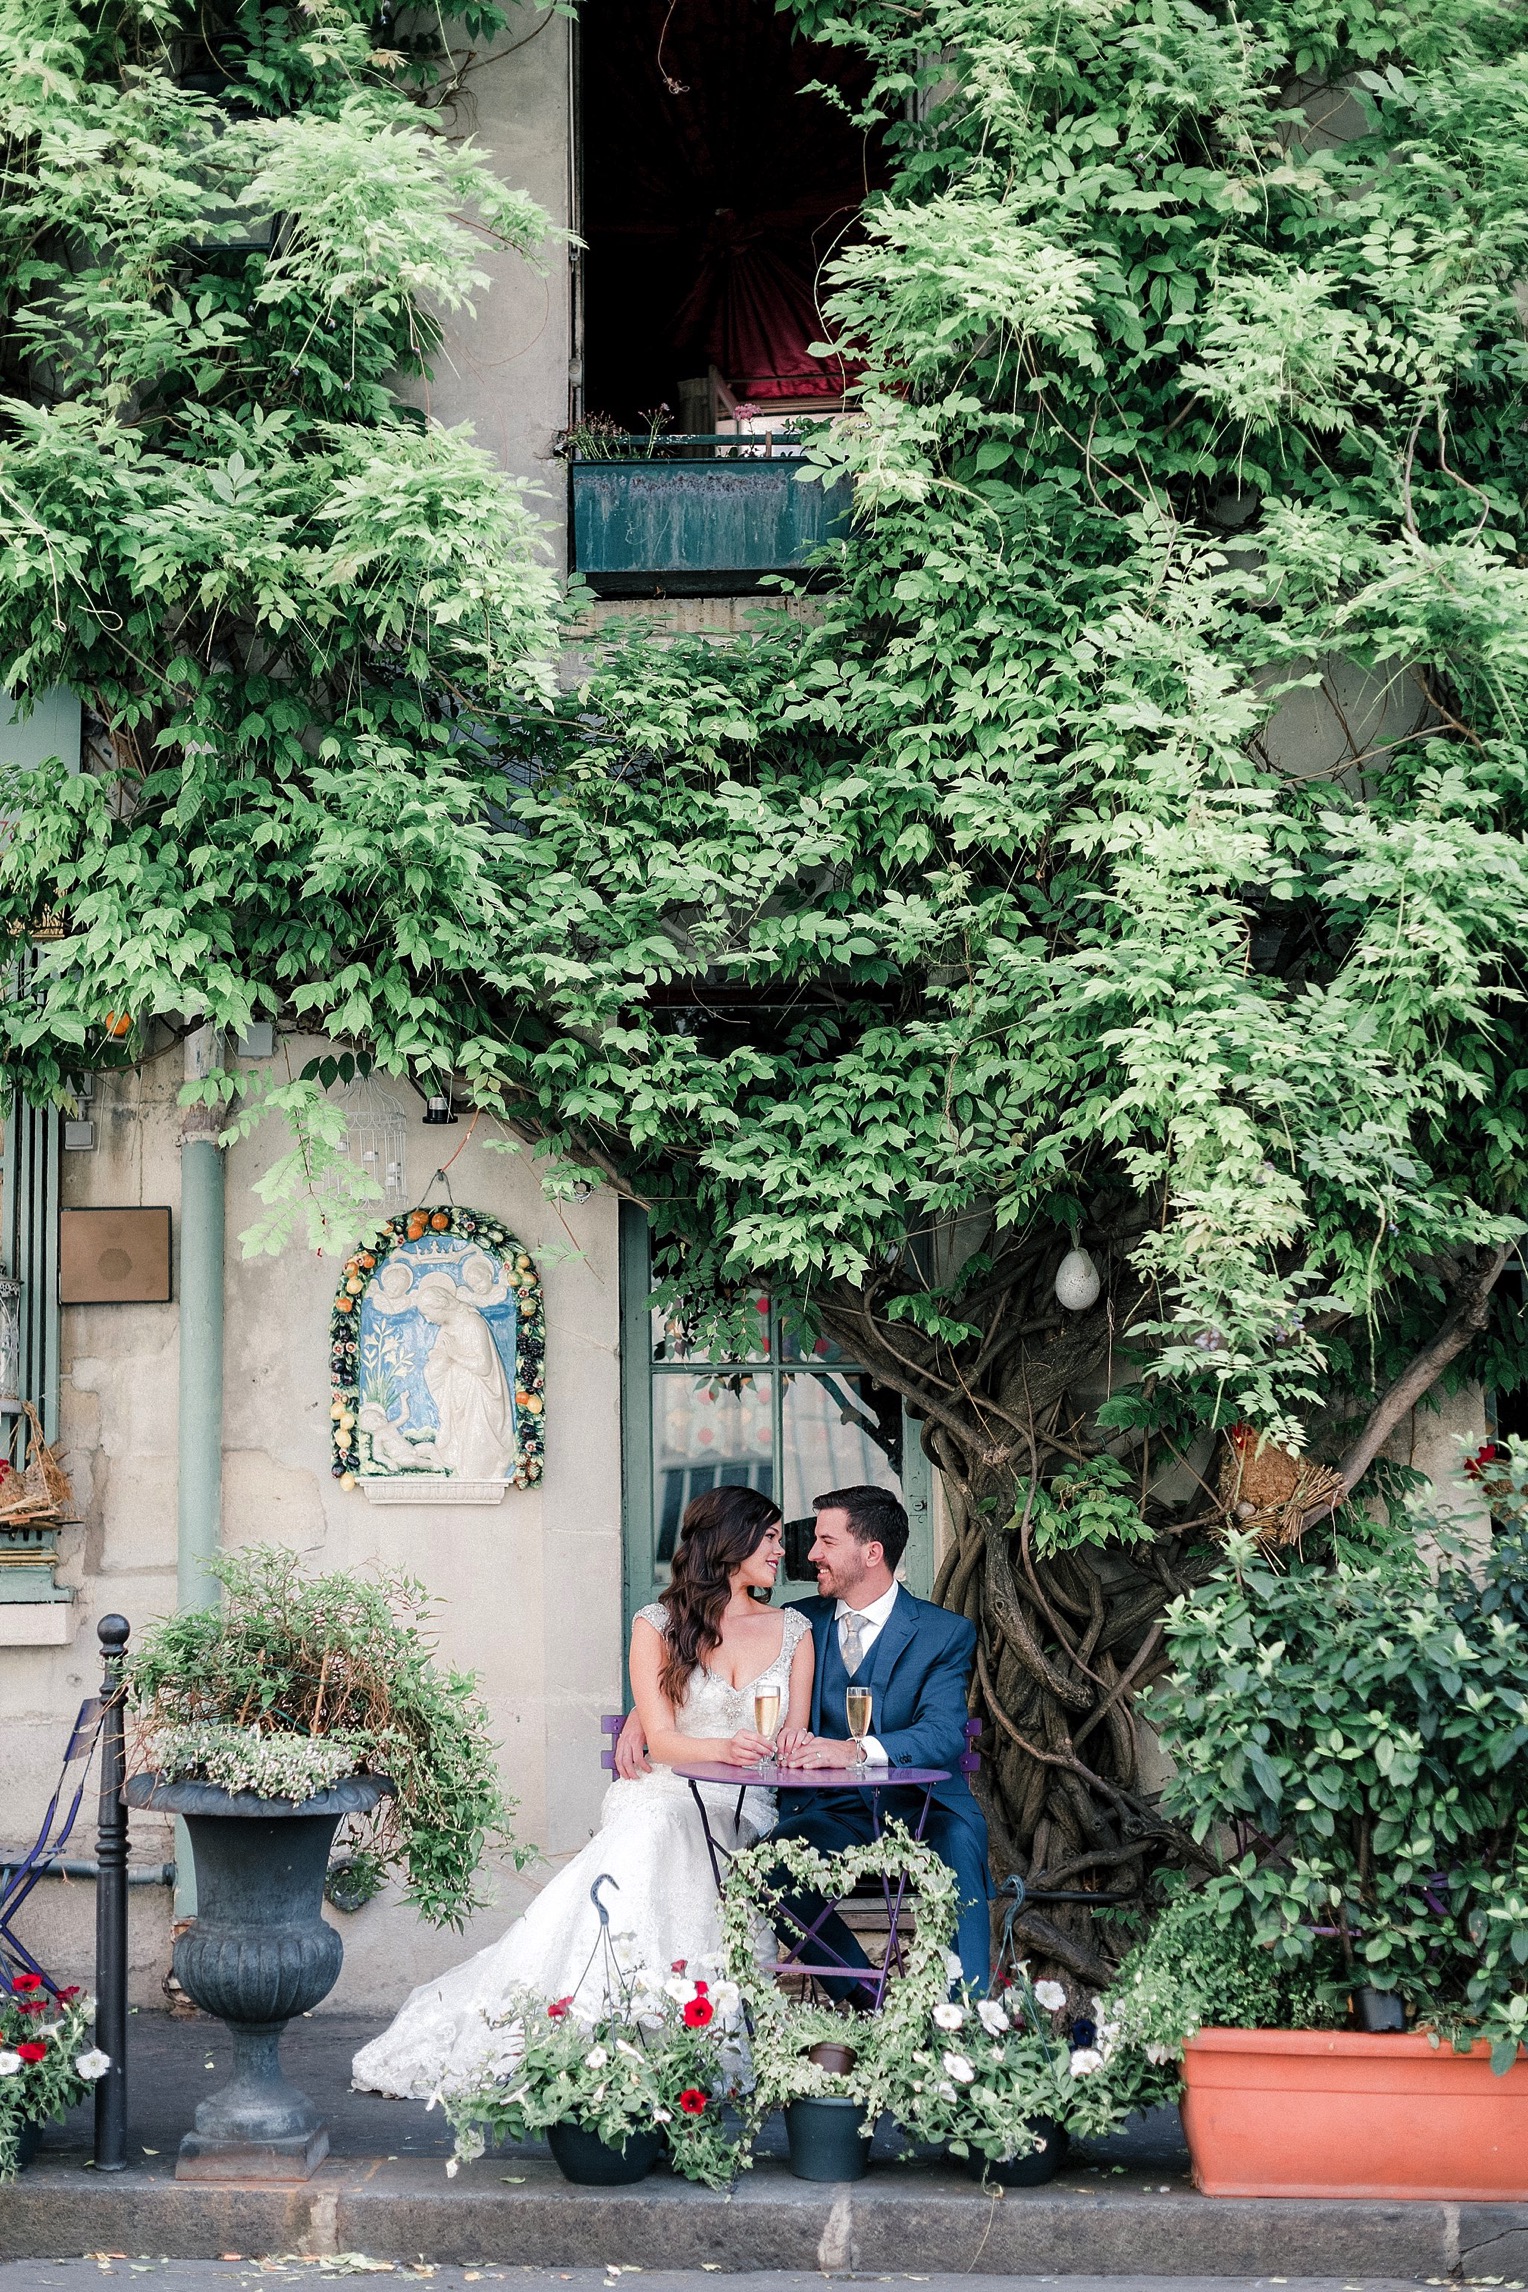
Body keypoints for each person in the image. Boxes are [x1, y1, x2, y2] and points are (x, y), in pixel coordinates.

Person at [351, 1485, 813, 2099]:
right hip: (670, 1786)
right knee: (655, 1826)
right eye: (772, 1536)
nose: (783, 1550)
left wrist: (770, 1752)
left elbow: (795, 1734)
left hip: (743, 1801)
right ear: (732, 1540)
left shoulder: (795, 1631)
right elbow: (666, 1743)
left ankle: (671, 2027)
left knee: (671, 1831)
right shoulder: (658, 1625)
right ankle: (605, 2022)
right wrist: (720, 1747)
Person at [616, 1485, 990, 1990]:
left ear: (871, 1553)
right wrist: (645, 1711)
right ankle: (869, 1999)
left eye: (826, 1542)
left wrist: (855, 1750)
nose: (809, 1554)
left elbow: (944, 1732)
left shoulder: (943, 1632)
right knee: (771, 1864)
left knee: (961, 1850)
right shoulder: (800, 1621)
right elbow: (709, 1646)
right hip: (830, 1811)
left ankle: (964, 2022)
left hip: (922, 1807)